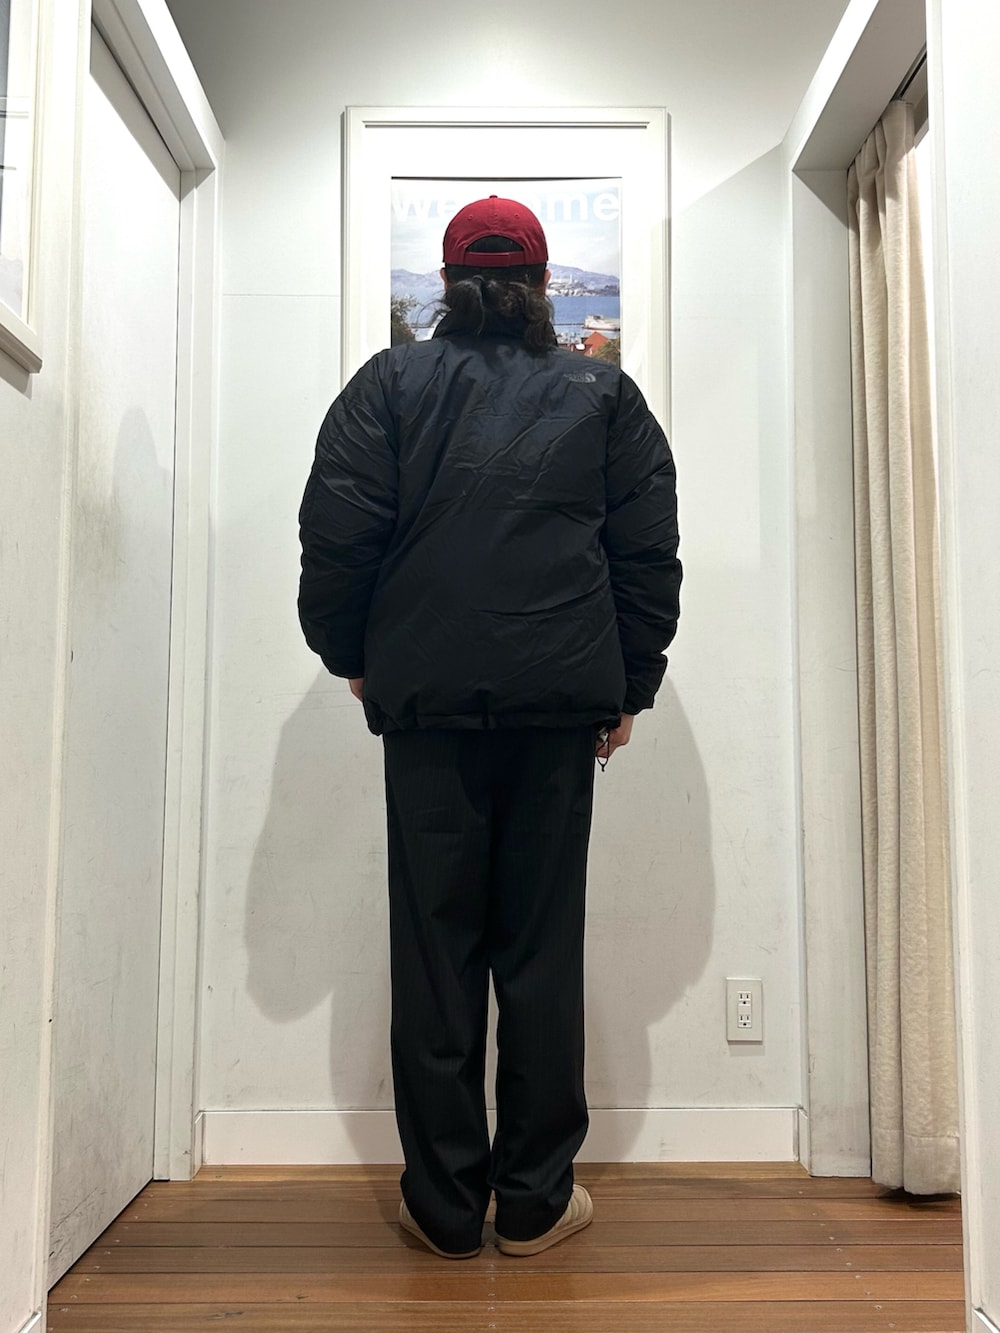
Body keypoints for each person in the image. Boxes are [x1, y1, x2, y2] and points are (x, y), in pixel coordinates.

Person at [298, 195, 681, 1260]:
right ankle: (536, 1202)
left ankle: (445, 1208)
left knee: (436, 952)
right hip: (557, 710)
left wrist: (355, 658)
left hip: (426, 708)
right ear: (543, 285)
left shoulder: (387, 385)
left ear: (445, 281)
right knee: (541, 951)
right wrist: (629, 686)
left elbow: (335, 539)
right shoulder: (603, 394)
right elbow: (647, 555)